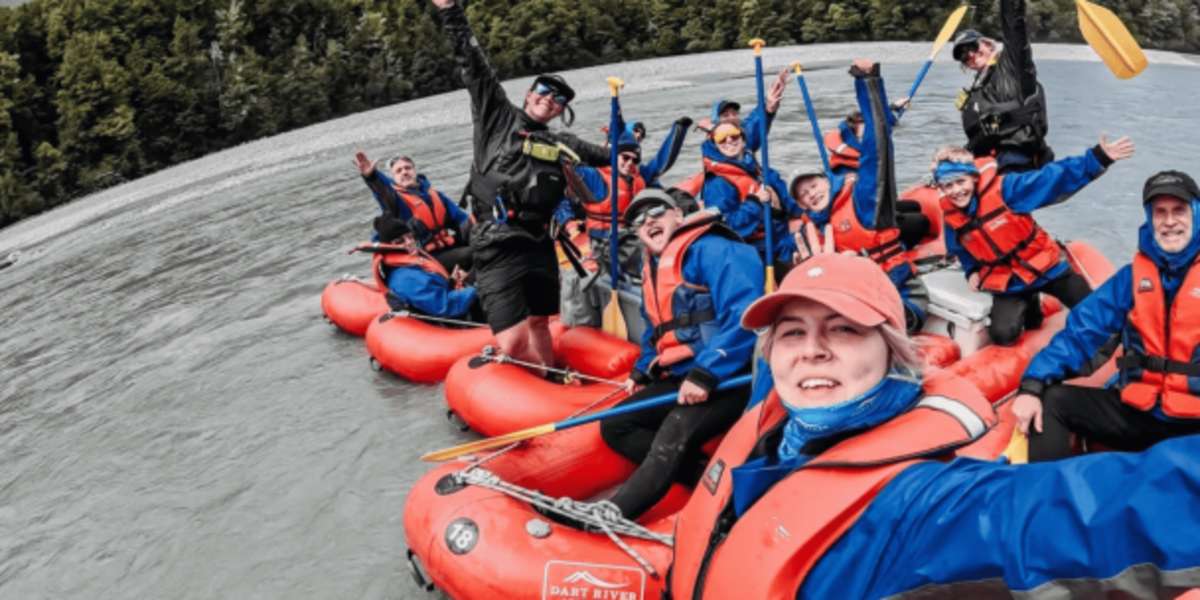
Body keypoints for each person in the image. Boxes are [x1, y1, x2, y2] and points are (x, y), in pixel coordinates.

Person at [668, 251, 1200, 599]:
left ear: (894, 355)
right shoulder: (767, 433)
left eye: (844, 329)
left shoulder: (925, 504)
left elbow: (1086, 510)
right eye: (791, 333)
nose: (812, 351)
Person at [431, 0, 610, 373]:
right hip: (495, 242)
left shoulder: (564, 144)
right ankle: (541, 377)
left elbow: (607, 156)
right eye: (542, 92)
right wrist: (451, 12)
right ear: (529, 94)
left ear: (561, 110)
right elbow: (474, 65)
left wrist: (625, 143)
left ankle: (549, 380)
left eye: (557, 99)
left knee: (541, 322)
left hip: (539, 242)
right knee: (511, 341)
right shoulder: (497, 115)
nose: (548, 100)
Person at [592, 188, 762, 522]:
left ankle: (616, 511)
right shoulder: (652, 269)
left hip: (732, 376)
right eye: (638, 220)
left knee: (676, 428)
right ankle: (704, 477)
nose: (648, 221)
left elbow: (746, 316)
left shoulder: (715, 249)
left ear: (678, 216)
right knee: (615, 426)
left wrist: (706, 374)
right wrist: (641, 371)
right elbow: (654, 331)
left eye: (656, 212)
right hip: (684, 374)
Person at [1013, 170, 1200, 461]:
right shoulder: (1131, 278)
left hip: (1193, 423)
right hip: (1137, 413)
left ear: (1196, 213)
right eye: (1160, 212)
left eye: (1179, 210)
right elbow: (1083, 331)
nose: (1170, 221)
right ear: (1150, 219)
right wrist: (1032, 384)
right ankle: (1046, 497)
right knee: (1052, 401)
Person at [932, 135, 1135, 345]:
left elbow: (1052, 178)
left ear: (974, 178)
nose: (956, 191)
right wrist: (971, 271)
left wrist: (1098, 158)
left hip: (1045, 265)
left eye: (960, 181)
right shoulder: (951, 215)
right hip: (1007, 279)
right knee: (1003, 334)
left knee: (1093, 309)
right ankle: (1031, 303)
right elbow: (961, 248)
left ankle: (1132, 341)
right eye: (948, 186)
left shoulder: (1007, 189)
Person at [787, 60, 927, 332]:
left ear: (826, 181)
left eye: (813, 186)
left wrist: (868, 82)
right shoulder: (810, 231)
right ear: (802, 205)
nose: (811, 194)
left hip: (898, 290)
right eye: (803, 195)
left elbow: (877, 150)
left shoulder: (860, 201)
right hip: (855, 297)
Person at [951, 0, 1051, 172]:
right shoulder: (976, 91)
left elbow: (1014, 25)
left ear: (988, 44)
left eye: (972, 47)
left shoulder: (1013, 65)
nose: (970, 55)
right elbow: (981, 131)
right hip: (990, 162)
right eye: (963, 56)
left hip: (1018, 162)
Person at [353, 151, 472, 273]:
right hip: (426, 256)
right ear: (393, 179)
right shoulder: (395, 200)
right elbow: (383, 190)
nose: (404, 172)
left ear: (414, 171)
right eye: (398, 171)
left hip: (448, 246)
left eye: (407, 168)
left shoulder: (435, 195)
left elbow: (462, 219)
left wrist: (479, 230)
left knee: (485, 240)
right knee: (472, 254)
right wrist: (372, 176)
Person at [359, 215, 481, 321]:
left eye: (409, 236)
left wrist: (452, 282)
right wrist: (478, 288)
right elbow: (445, 306)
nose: (409, 242)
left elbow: (435, 291)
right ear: (388, 246)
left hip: (452, 300)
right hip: (457, 317)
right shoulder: (406, 278)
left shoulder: (408, 265)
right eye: (399, 241)